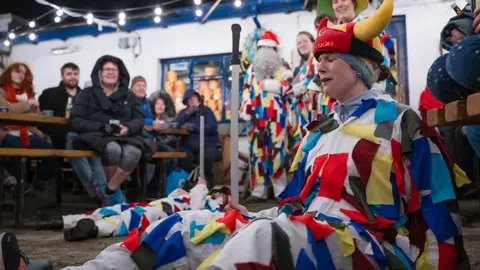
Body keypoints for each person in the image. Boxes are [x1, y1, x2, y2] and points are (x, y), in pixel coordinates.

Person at [70, 55, 156, 206]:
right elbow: (76, 120)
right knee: (113, 149)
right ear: (99, 73)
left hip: (125, 135)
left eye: (114, 70)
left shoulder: (128, 96)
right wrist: (101, 127)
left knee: (134, 152)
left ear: (120, 73)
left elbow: (139, 118)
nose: (111, 72)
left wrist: (128, 128)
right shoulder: (87, 93)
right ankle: (115, 195)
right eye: (107, 69)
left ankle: (108, 191)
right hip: (97, 135)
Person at [35, 177, 229, 242]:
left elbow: (195, 209)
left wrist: (200, 187)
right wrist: (187, 190)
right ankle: (63, 221)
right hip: (156, 205)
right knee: (112, 209)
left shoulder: (212, 204)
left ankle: (93, 230)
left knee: (129, 219)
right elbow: (175, 196)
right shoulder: (191, 194)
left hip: (167, 214)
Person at [39, 62, 107, 200]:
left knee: (97, 157)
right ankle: (101, 191)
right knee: (76, 152)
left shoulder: (86, 95)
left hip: (85, 135)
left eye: (75, 74)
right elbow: (44, 119)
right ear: (62, 76)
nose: (73, 77)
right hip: (61, 136)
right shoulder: (49, 94)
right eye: (69, 74)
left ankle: (102, 192)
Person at [240, 30, 292, 202]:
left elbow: (289, 89)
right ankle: (258, 191)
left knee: (277, 153)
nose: (265, 53)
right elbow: (246, 91)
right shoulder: (251, 70)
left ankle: (281, 191)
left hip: (277, 119)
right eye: (262, 49)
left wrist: (268, 85)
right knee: (257, 154)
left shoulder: (284, 68)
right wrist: (246, 110)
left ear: (275, 50)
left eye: (268, 49)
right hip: (256, 118)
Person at [0, 62, 57, 191]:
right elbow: (6, 111)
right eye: (17, 71)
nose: (21, 75)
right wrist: (28, 104)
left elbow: (36, 118)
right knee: (15, 152)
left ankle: (36, 181)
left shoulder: (28, 92)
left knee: (51, 153)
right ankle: (16, 186)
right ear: (9, 73)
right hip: (7, 131)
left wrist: (30, 109)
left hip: (28, 131)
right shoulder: (1, 91)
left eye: (23, 73)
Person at [176, 89, 220, 186]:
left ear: (198, 98)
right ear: (186, 102)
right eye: (189, 99)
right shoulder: (184, 113)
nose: (192, 100)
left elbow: (212, 127)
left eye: (193, 97)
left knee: (205, 155)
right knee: (182, 155)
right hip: (189, 147)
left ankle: (205, 182)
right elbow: (176, 125)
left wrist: (193, 127)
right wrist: (187, 114)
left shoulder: (206, 111)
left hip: (207, 145)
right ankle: (187, 182)